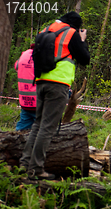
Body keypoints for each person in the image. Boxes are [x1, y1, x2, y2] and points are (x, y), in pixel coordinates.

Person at [20, 11, 90, 180]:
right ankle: (36, 169)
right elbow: (85, 59)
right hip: (58, 85)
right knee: (47, 127)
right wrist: (82, 40)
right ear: (75, 25)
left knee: (38, 124)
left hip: (41, 82)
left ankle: (24, 164)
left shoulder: (46, 30)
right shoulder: (71, 33)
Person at [15, 44, 37, 131]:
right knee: (41, 130)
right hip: (39, 102)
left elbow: (16, 66)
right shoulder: (42, 56)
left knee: (21, 129)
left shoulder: (24, 55)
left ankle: (14, 143)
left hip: (25, 101)